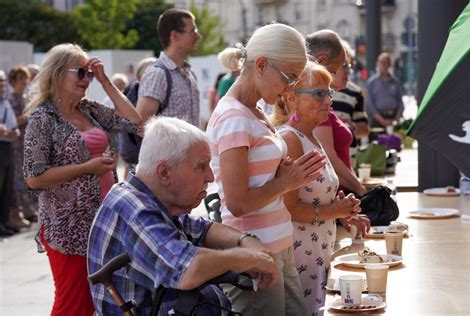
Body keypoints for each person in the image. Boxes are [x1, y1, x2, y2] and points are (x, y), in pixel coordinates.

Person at [88, 116, 278, 315]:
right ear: (164, 173)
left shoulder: (144, 196)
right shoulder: (136, 211)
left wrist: (245, 240)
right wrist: (246, 258)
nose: (210, 177)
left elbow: (202, 229)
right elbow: (188, 270)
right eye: (201, 166)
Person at [207, 23, 327, 315]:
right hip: (255, 252)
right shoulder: (234, 116)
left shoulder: (254, 110)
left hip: (275, 245)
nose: (290, 90)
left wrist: (282, 171)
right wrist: (286, 181)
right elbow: (237, 203)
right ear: (261, 65)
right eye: (289, 78)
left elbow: (259, 176)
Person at [23, 43, 143, 316]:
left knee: (99, 302)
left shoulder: (89, 109)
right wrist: (85, 168)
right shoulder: (43, 118)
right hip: (68, 228)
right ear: (56, 74)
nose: (86, 79)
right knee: (73, 304)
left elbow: (136, 123)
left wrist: (105, 81)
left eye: (89, 73)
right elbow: (34, 177)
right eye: (81, 72)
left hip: (104, 221)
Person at [272, 61, 369, 315]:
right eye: (319, 93)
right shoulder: (291, 139)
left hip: (317, 251)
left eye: (329, 93)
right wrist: (334, 211)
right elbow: (290, 208)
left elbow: (315, 198)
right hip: (300, 253)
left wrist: (343, 212)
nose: (328, 100)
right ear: (292, 99)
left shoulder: (311, 136)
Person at [307, 30, 367, 196]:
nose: (349, 72)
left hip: (338, 197)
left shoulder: (322, 102)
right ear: (321, 62)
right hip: (334, 197)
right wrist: (361, 190)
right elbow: (328, 157)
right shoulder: (315, 104)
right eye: (340, 68)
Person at [137, 8, 201, 127]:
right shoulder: (157, 74)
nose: (198, 36)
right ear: (175, 35)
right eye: (193, 31)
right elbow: (141, 125)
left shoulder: (190, 74)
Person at [330, 42, 369, 167]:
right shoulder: (316, 92)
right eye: (344, 66)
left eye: (350, 66)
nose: (349, 72)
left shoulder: (355, 92)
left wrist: (352, 127)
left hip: (349, 161)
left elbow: (365, 130)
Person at [7, 65, 35, 228]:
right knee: (18, 179)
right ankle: (17, 213)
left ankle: (27, 210)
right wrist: (27, 115)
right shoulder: (11, 99)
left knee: (26, 176)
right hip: (17, 144)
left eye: (25, 78)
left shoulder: (25, 97)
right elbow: (13, 122)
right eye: (20, 79)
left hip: (27, 143)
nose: (24, 82)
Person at [0, 70, 20, 237]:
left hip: (7, 148)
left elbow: (13, 127)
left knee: (6, 187)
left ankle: (3, 223)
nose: (2, 85)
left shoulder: (5, 103)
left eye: (3, 81)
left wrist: (14, 132)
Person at [365, 52, 404, 128]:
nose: (383, 65)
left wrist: (396, 119)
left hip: (394, 118)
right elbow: (369, 105)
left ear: (389, 65)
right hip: (377, 120)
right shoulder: (371, 83)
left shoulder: (396, 82)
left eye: (385, 62)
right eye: (381, 62)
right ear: (377, 64)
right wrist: (382, 121)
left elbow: (400, 102)